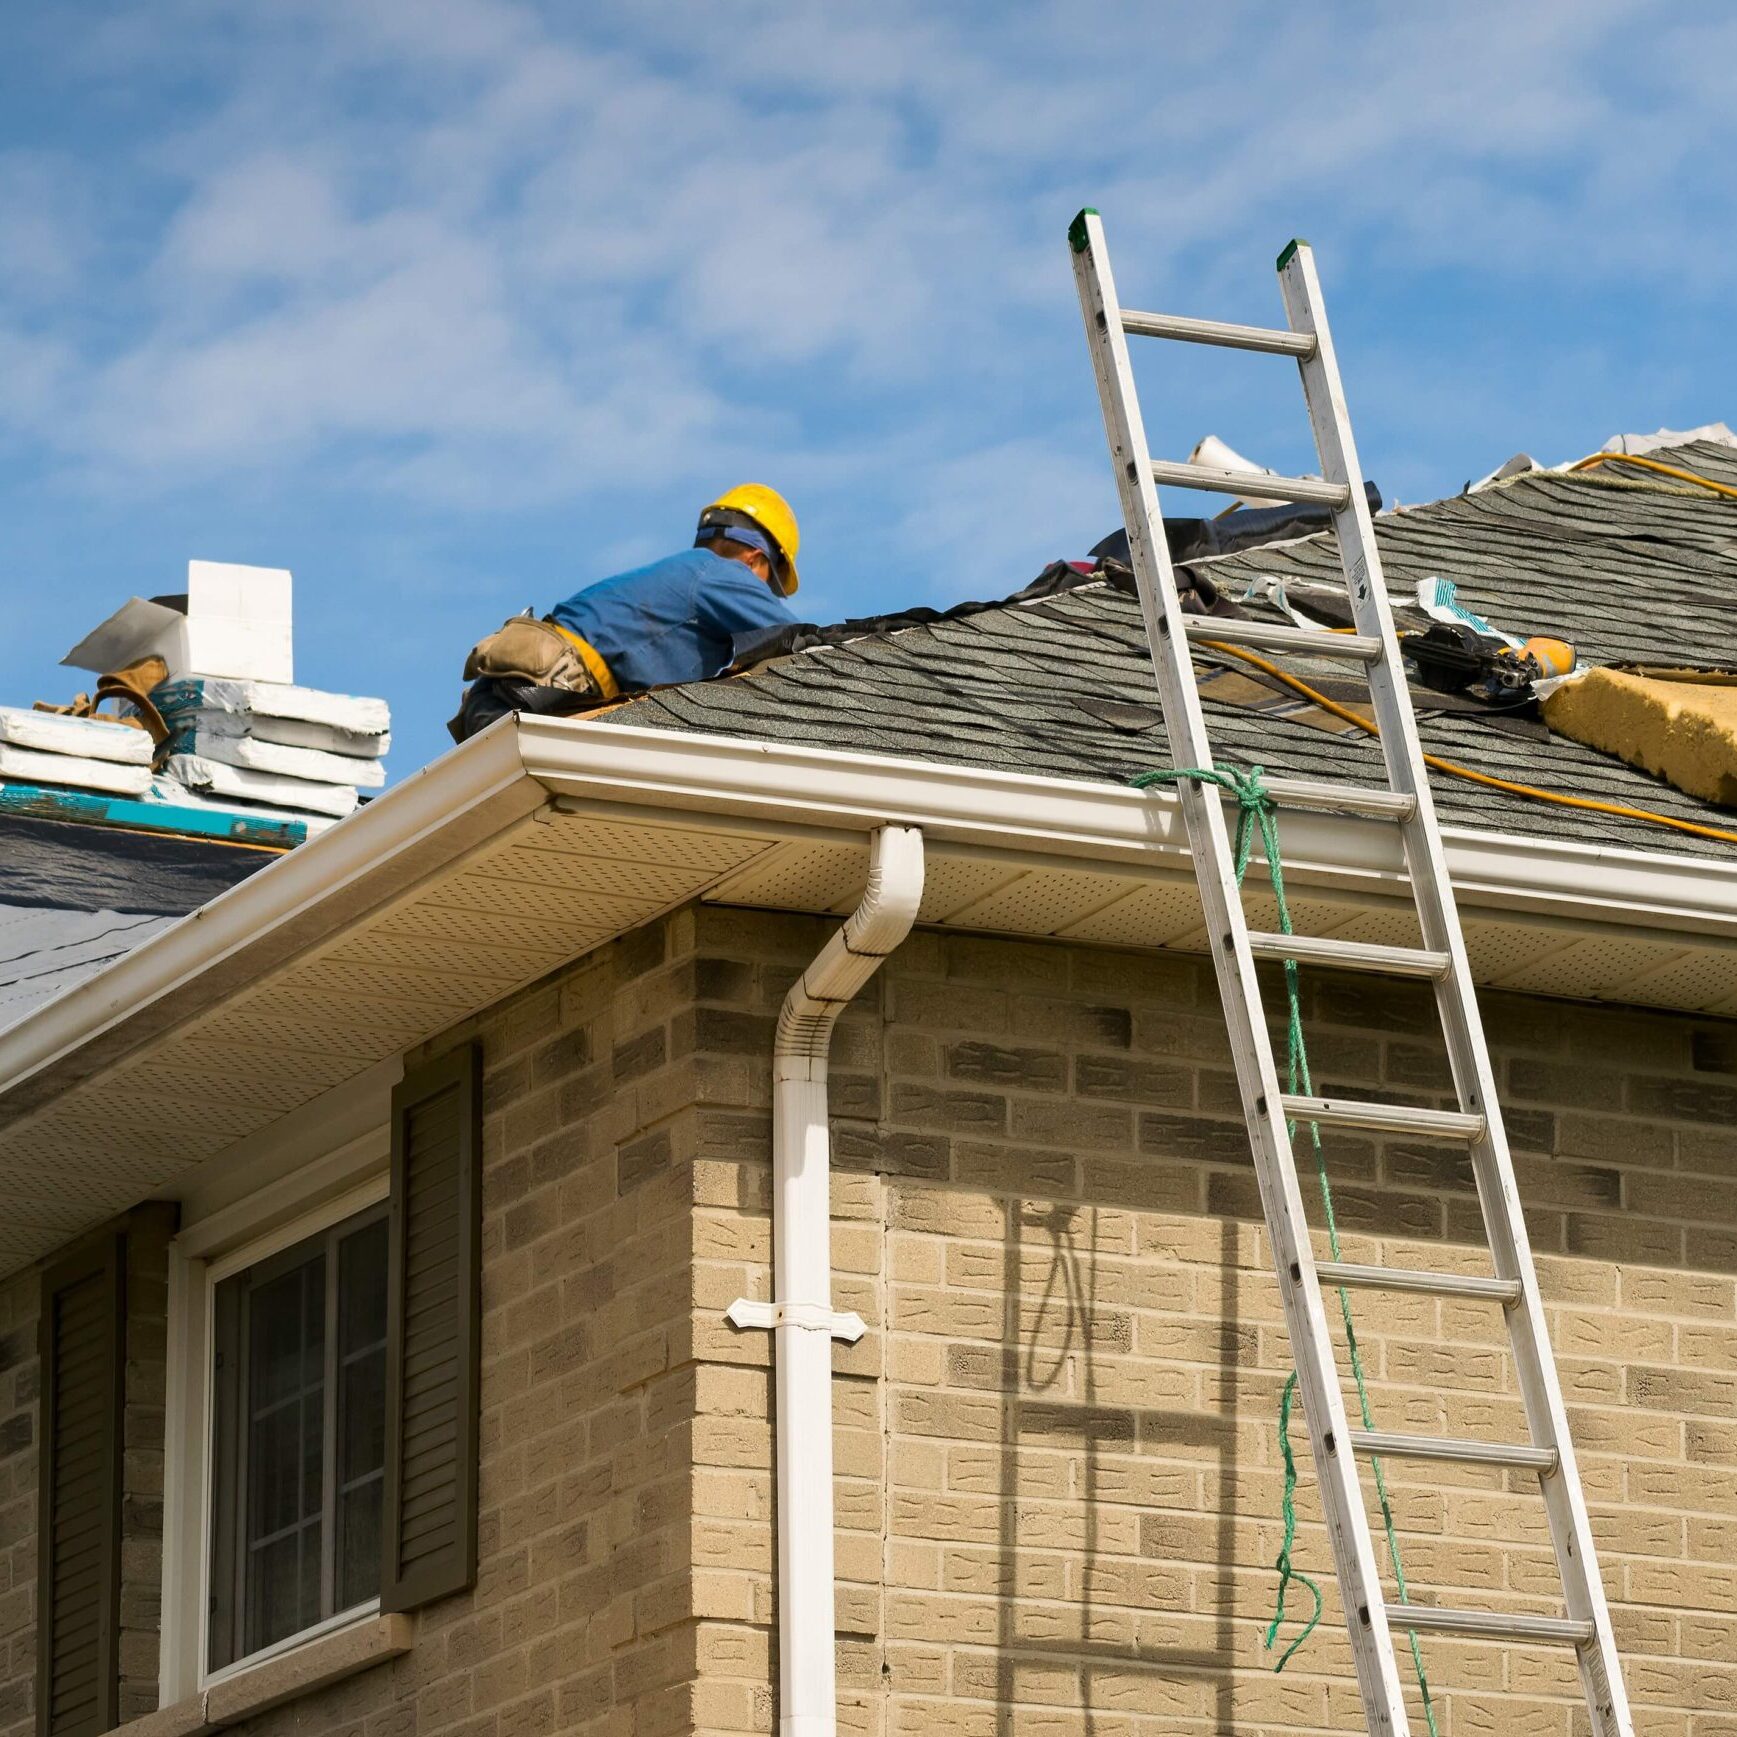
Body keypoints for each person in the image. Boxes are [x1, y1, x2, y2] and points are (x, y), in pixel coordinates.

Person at [448, 485, 801, 741]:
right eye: (767, 586)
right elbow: (799, 642)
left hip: (496, 701)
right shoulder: (718, 572)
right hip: (543, 694)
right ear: (755, 559)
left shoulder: (679, 580)